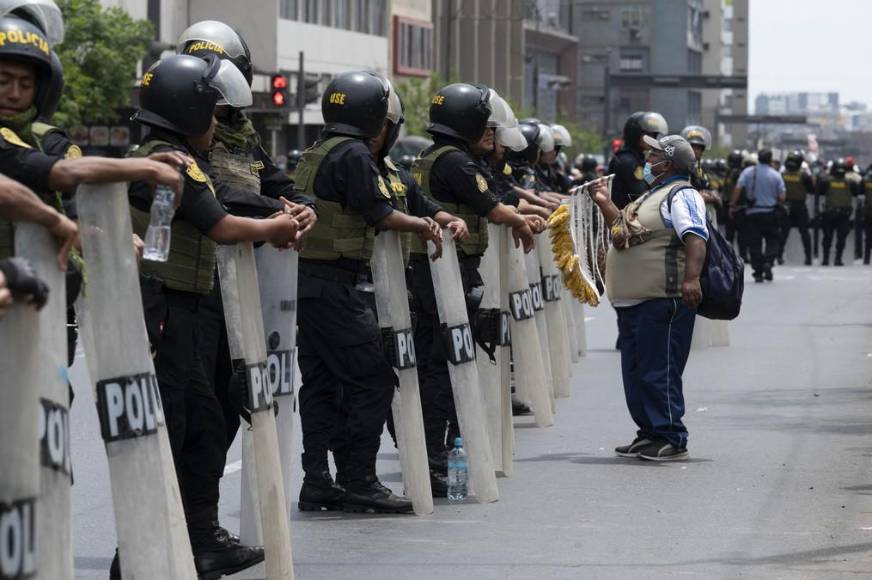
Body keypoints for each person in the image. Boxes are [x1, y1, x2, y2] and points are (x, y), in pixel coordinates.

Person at [123, 53, 301, 580]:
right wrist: (276, 227)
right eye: (213, 115)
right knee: (169, 434)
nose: (219, 127)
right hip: (163, 310)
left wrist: (276, 210)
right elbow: (219, 223)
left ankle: (198, 541)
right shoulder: (169, 162)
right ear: (191, 111)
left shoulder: (173, 157)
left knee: (201, 426)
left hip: (182, 304)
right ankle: (136, 560)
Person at [294, 71, 443, 514]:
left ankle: (317, 479)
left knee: (322, 383)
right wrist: (423, 225)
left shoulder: (318, 150)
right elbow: (380, 212)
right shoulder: (355, 154)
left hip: (309, 284)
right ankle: (359, 479)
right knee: (373, 379)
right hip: (338, 286)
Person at [177, 20, 317, 452]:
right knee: (197, 407)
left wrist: (303, 207)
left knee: (232, 397)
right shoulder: (180, 131)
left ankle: (203, 495)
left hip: (244, 278)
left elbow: (278, 183)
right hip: (198, 281)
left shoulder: (244, 134)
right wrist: (275, 209)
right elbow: (215, 194)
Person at [410, 82, 535, 494]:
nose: (489, 133)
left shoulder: (434, 156)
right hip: (446, 274)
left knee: (442, 363)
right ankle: (435, 459)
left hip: (439, 271)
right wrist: (521, 222)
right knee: (444, 366)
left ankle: (440, 452)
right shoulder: (456, 163)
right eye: (483, 125)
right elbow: (493, 208)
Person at [589, 134, 707, 461]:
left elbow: (696, 237)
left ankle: (671, 436)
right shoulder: (652, 195)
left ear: (667, 164)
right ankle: (649, 433)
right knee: (636, 372)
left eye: (653, 156)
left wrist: (691, 279)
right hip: (634, 302)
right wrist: (603, 202)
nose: (647, 160)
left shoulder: (682, 195)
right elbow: (623, 233)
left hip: (662, 299)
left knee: (659, 371)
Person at [731, 149, 785, 282]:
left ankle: (758, 272)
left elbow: (738, 189)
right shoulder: (776, 175)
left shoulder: (748, 172)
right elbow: (782, 197)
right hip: (770, 213)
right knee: (773, 240)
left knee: (754, 244)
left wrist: (732, 205)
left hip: (752, 213)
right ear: (770, 159)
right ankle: (768, 262)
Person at [608, 111, 668, 209]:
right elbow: (641, 194)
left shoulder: (637, 157)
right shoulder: (628, 160)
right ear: (635, 134)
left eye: (653, 135)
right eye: (648, 135)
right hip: (623, 213)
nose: (652, 139)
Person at [816, 158, 863, 266]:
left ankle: (827, 259)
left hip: (831, 213)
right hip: (842, 213)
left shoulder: (826, 181)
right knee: (839, 238)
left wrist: (819, 210)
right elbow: (857, 195)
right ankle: (837, 259)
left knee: (829, 237)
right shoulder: (850, 182)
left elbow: (818, 195)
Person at [778, 150, 815, 265]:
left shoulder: (782, 175)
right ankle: (808, 258)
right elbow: (812, 190)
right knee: (804, 233)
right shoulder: (804, 175)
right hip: (800, 206)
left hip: (786, 206)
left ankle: (779, 256)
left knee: (783, 232)